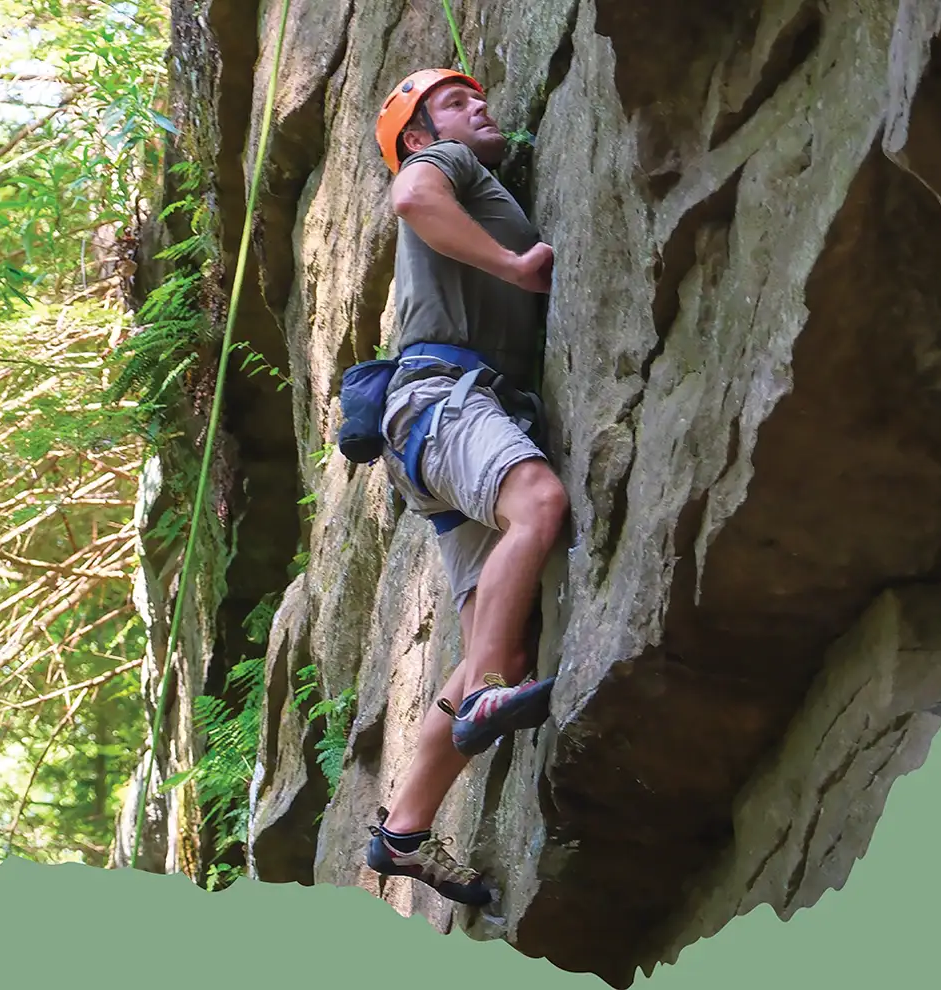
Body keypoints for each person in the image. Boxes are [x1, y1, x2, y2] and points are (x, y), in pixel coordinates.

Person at [359, 68, 569, 906]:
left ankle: (402, 830)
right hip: (448, 400)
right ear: (420, 133)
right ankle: (483, 690)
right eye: (454, 101)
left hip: (434, 429)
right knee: (540, 504)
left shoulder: (472, 173)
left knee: (504, 640)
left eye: (479, 97)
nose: (479, 105)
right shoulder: (442, 163)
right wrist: (517, 268)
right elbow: (410, 197)